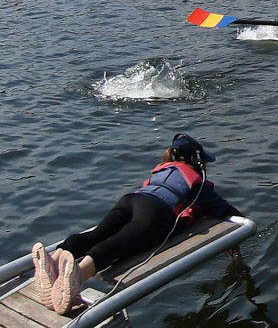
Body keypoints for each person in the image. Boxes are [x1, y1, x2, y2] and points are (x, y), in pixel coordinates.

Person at [31, 134, 242, 315]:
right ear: (197, 162)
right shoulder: (197, 183)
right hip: (155, 211)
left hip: (131, 200)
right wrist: (237, 234)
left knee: (95, 235)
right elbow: (225, 209)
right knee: (117, 244)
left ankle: (54, 258)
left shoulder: (162, 170)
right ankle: (76, 279)